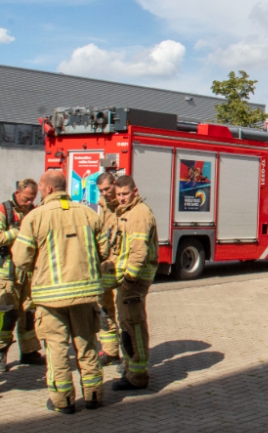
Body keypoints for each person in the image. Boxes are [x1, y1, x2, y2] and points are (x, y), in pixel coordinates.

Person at [12, 171, 109, 413]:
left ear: (48, 190)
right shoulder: (89, 214)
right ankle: (94, 395)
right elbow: (105, 249)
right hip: (85, 295)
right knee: (87, 345)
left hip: (49, 297)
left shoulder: (34, 217)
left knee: (56, 348)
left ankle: (63, 401)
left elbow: (21, 259)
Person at [108, 175, 159, 390]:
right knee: (127, 324)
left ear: (135, 192)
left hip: (134, 280)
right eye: (118, 194)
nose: (121, 198)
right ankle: (131, 368)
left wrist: (129, 278)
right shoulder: (126, 212)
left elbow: (139, 252)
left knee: (134, 325)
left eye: (125, 194)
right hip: (128, 280)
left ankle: (137, 376)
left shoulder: (138, 214)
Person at [0, 178, 44, 372]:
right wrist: (19, 231)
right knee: (6, 314)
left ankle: (29, 351)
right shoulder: (1, 211)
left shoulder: (34, 211)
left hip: (27, 272)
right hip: (7, 273)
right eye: (26, 198)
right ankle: (0, 350)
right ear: (17, 193)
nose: (29, 202)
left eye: (32, 199)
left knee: (28, 312)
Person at [95, 172, 121, 366]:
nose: (105, 193)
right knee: (105, 309)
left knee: (124, 312)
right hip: (106, 264)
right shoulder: (104, 205)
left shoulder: (123, 204)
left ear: (115, 184)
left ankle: (128, 355)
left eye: (107, 189)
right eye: (101, 190)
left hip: (121, 264)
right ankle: (111, 351)